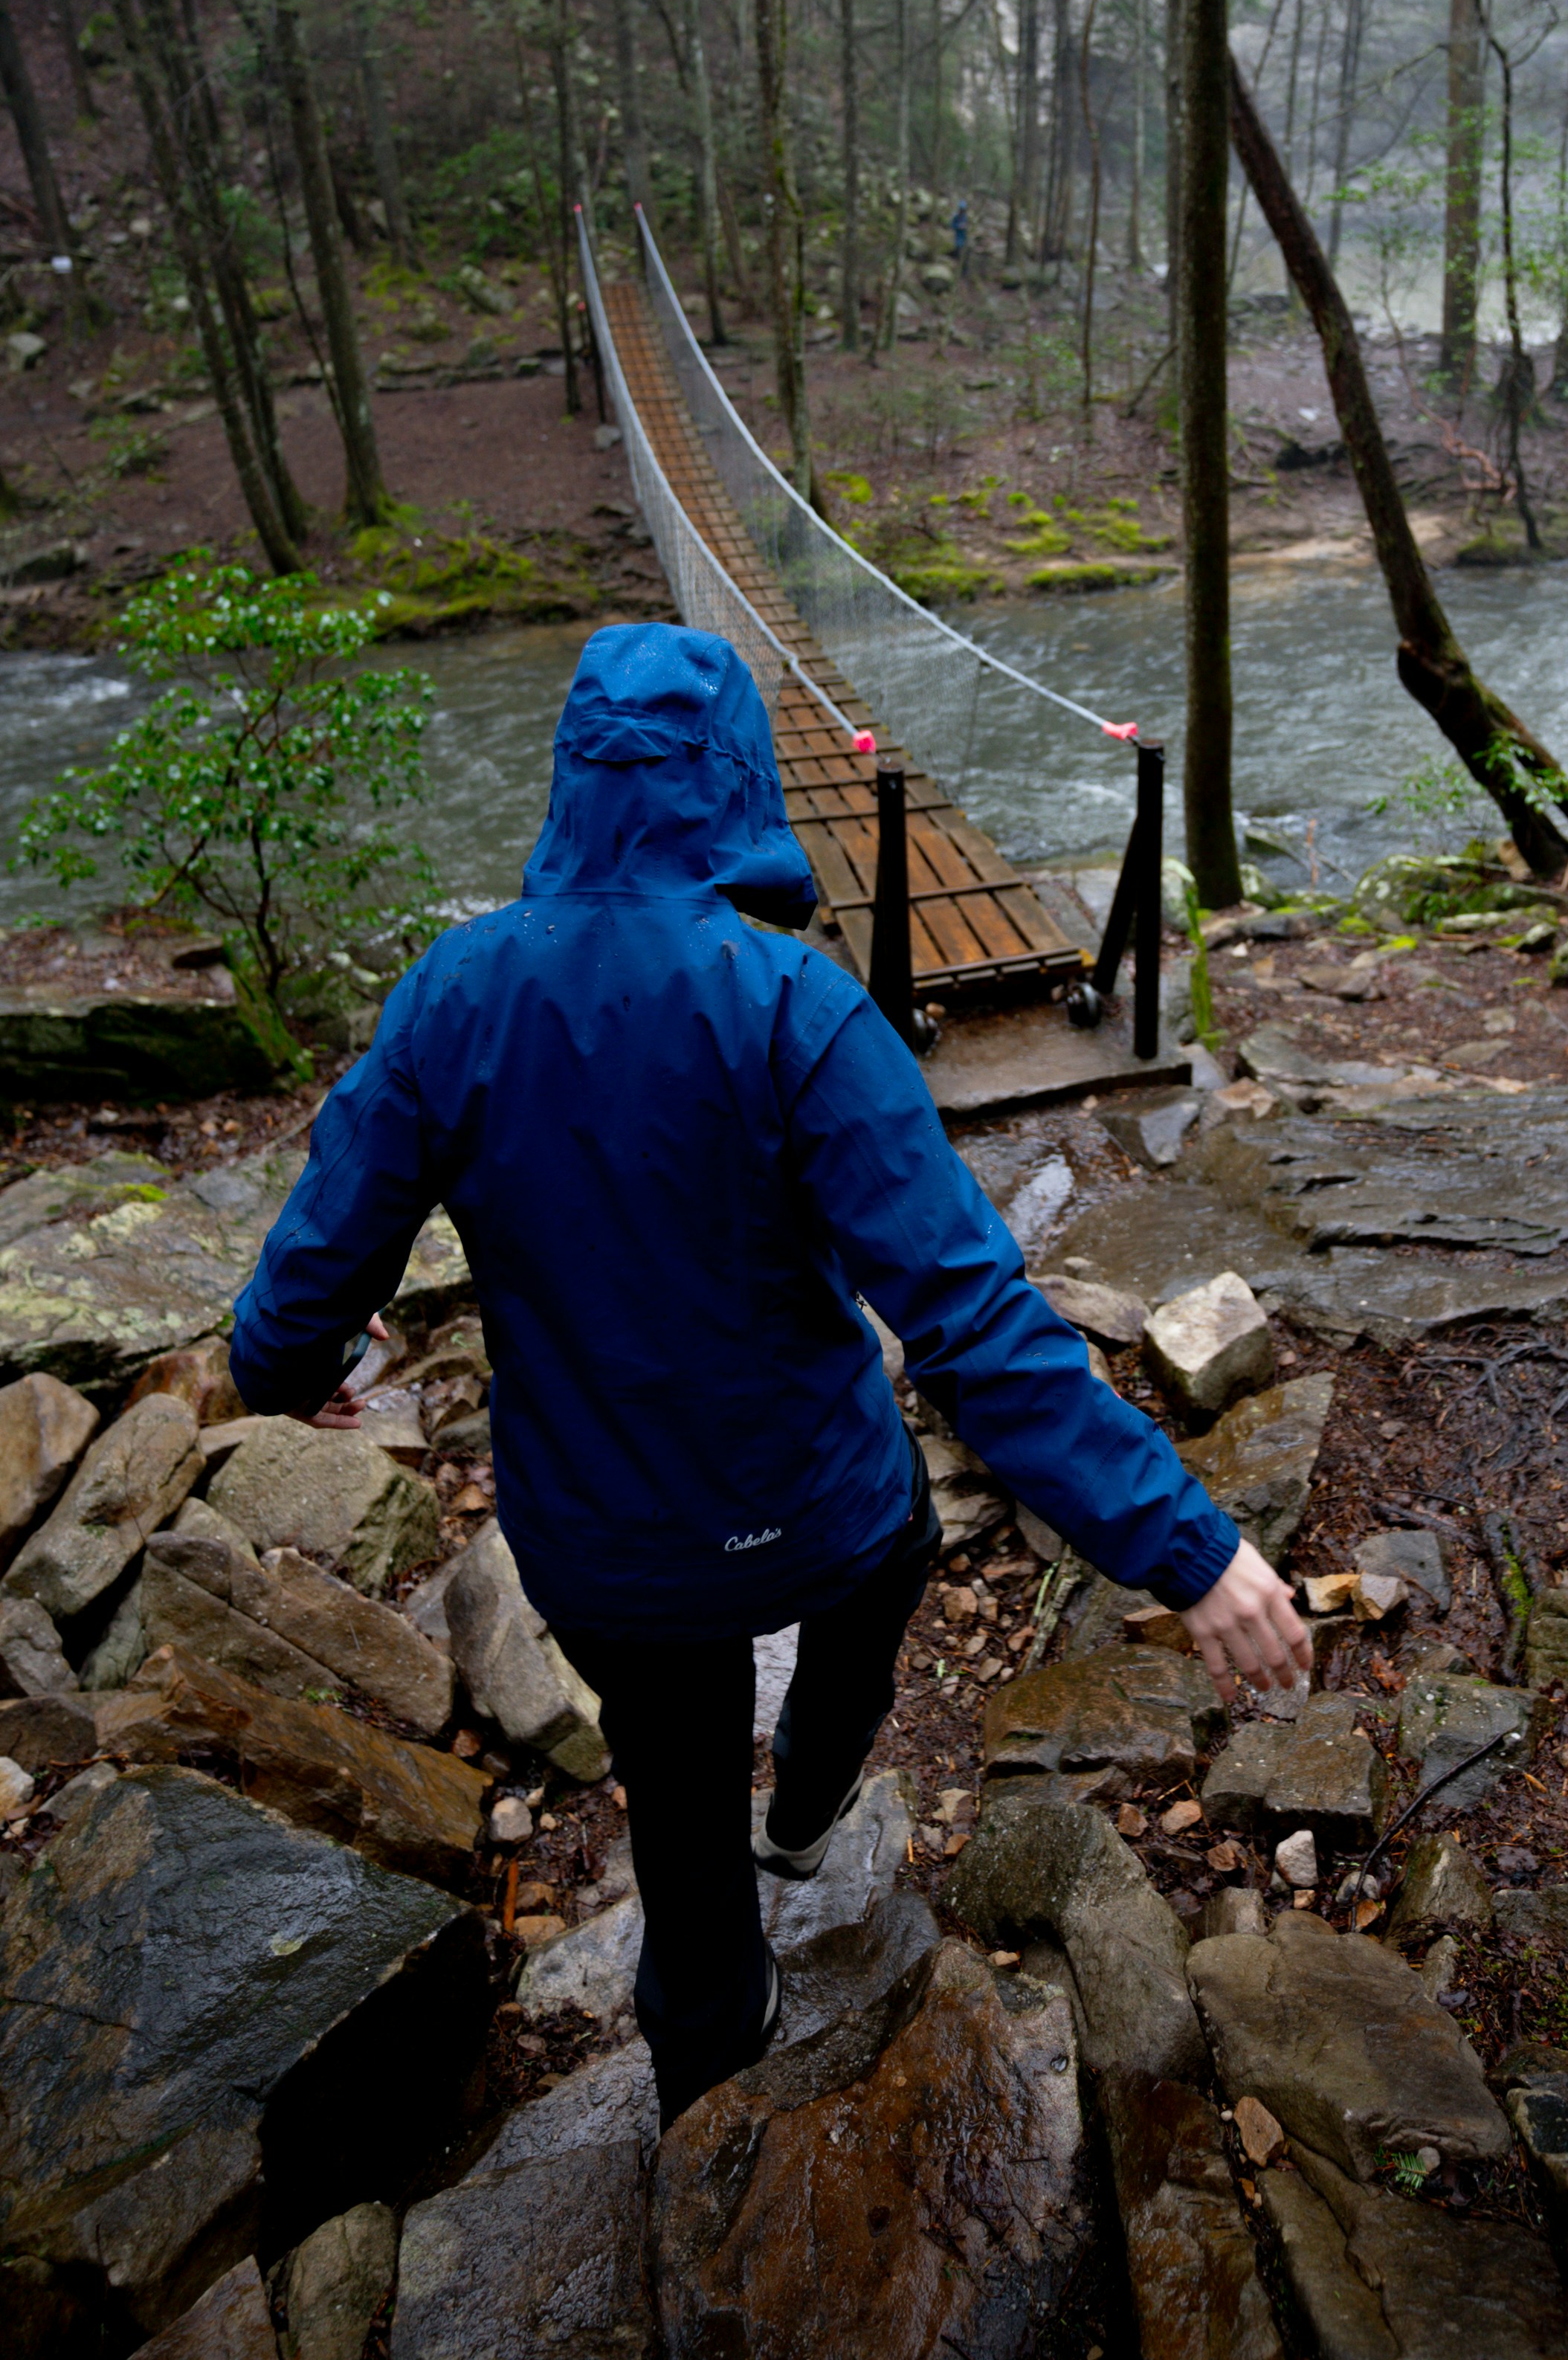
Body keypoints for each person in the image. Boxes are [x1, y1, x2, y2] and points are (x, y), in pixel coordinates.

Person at [229, 625, 1309, 2127]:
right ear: (735, 782)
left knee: (676, 1812)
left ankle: (706, 2117)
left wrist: (297, 1366)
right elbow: (973, 1321)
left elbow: (307, 1277)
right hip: (820, 1505)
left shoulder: (450, 996)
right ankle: (806, 1804)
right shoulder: (797, 1005)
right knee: (892, 1558)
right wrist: (1188, 1549)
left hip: (605, 1547)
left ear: (569, 787)